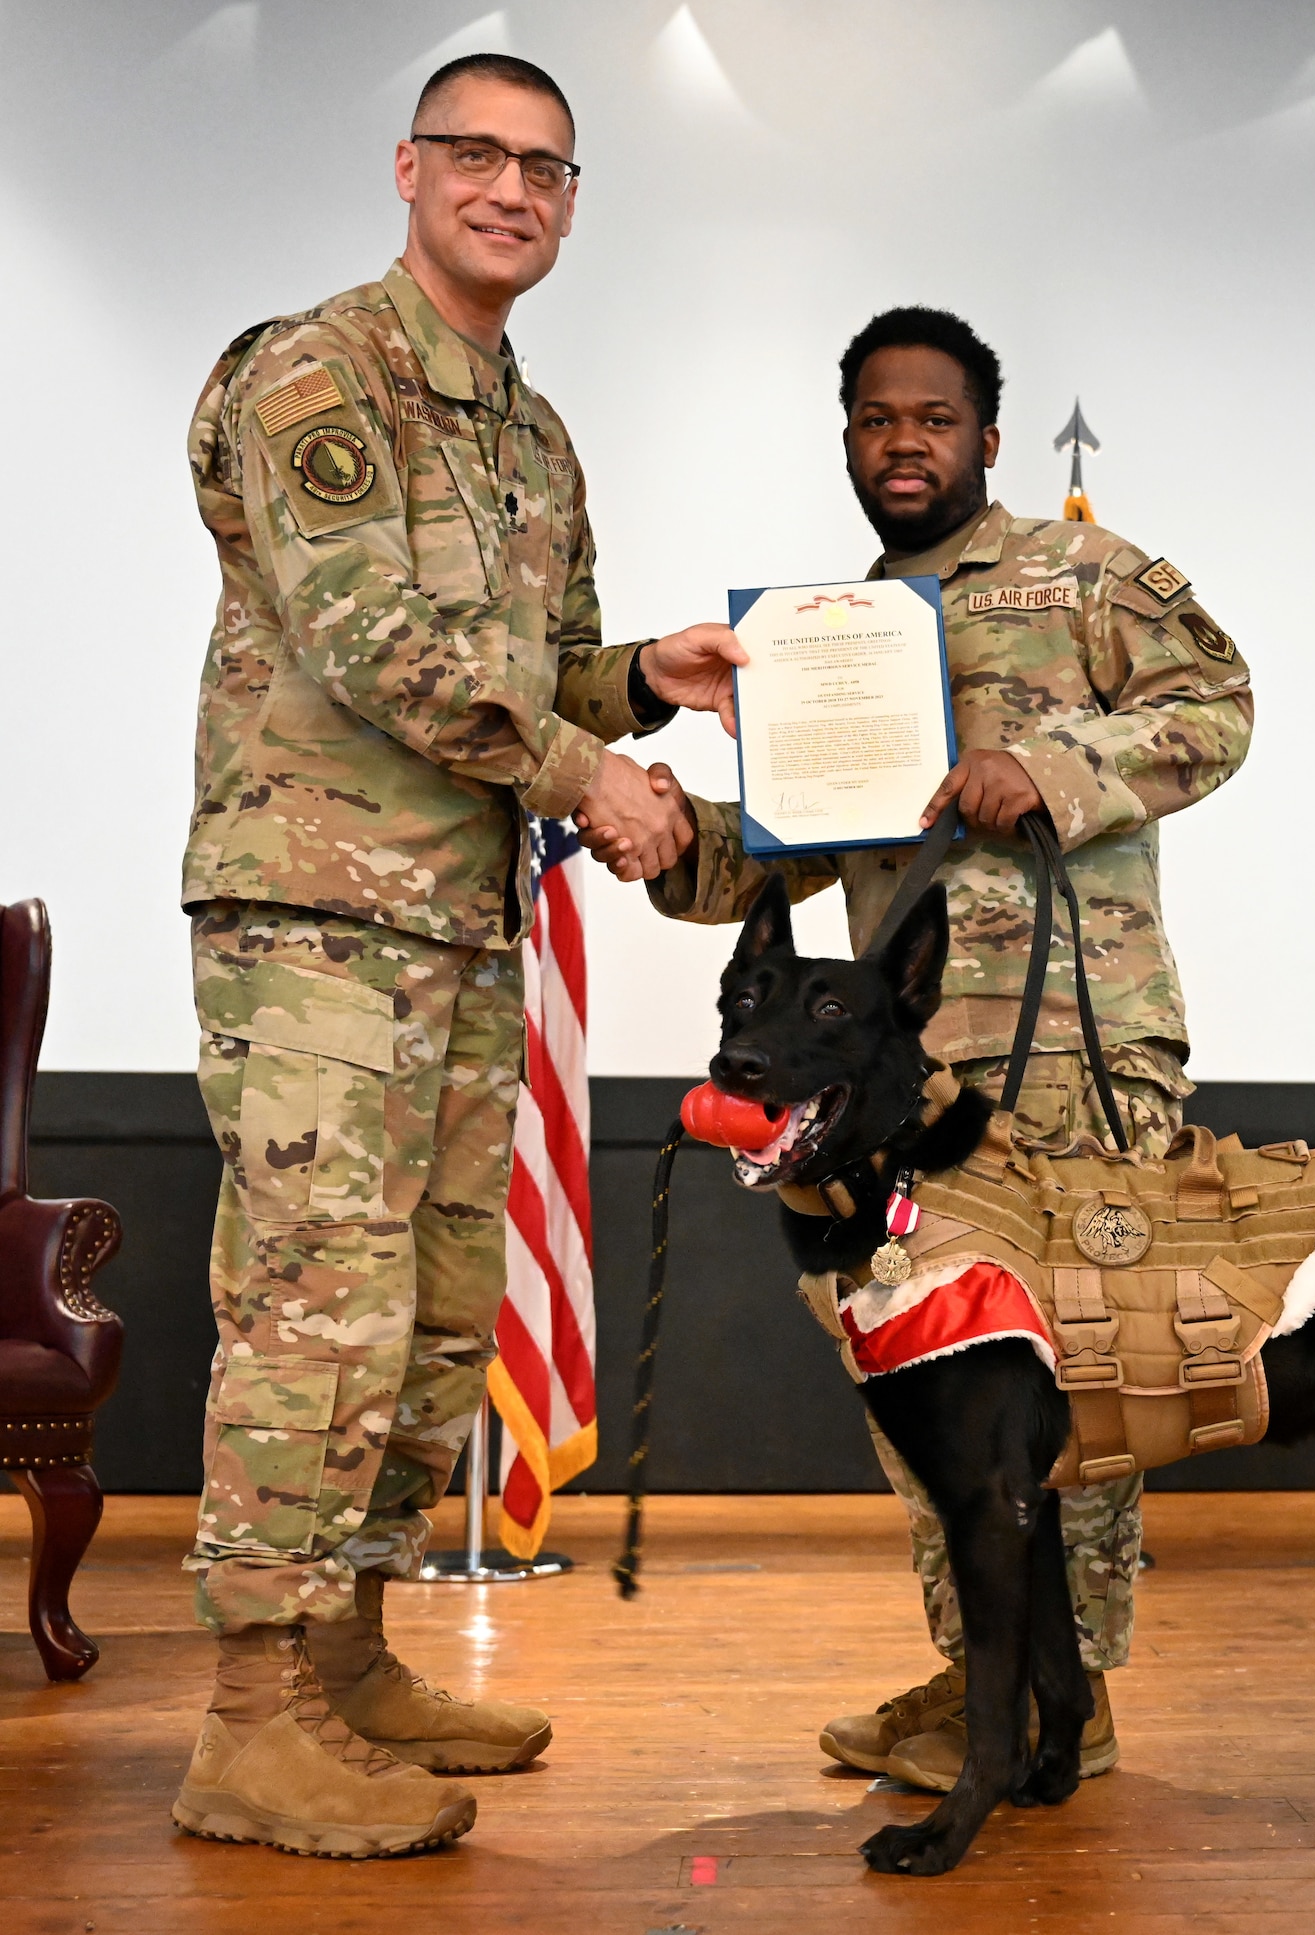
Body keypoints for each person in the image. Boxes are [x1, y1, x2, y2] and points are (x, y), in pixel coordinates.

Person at [175, 53, 740, 1858]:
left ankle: (342, 1658)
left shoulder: (532, 433)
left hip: (463, 928)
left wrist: (643, 683)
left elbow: (539, 670)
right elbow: (375, 645)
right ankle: (247, 1722)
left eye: (550, 170)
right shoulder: (315, 372)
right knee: (312, 1312)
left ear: (572, 204)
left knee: (419, 1323)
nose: (513, 190)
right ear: (409, 168)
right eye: (481, 157)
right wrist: (596, 778)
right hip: (321, 924)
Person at [600, 306, 1253, 1791]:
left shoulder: (1085, 577)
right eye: (879, 419)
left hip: (1072, 1060)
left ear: (988, 440)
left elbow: (1220, 709)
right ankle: (986, 1675)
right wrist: (652, 824)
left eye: (936, 418)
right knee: (933, 1397)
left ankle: (1063, 1707)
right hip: (907, 1095)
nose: (907, 442)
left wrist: (1055, 763)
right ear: (850, 440)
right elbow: (767, 872)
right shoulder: (836, 646)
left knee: (1068, 1389)